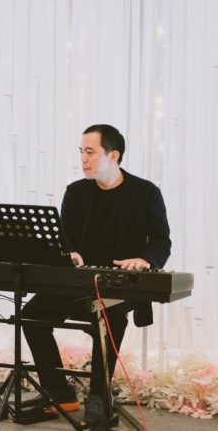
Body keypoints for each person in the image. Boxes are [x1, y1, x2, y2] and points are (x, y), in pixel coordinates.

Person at [22, 124, 171, 426]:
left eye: (90, 152)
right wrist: (70, 254)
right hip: (77, 281)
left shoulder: (145, 193)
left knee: (111, 317)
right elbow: (66, 240)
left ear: (113, 155)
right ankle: (59, 392)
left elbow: (161, 241)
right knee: (32, 316)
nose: (83, 159)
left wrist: (144, 259)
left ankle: (98, 397)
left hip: (120, 283)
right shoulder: (76, 192)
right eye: (81, 151)